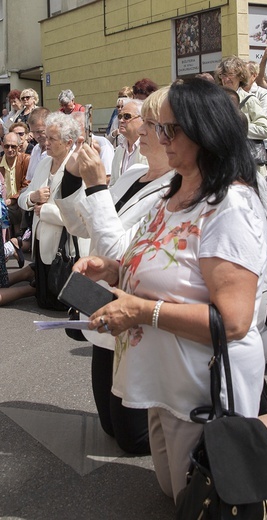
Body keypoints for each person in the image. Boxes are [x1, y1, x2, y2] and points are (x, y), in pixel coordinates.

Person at [73, 79, 267, 503]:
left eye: (170, 129)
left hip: (202, 376)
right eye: (158, 127)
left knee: (207, 488)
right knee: (175, 487)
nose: (157, 137)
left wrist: (141, 312)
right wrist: (115, 269)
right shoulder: (172, 192)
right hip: (162, 370)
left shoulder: (230, 204)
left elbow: (232, 320)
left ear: (205, 131)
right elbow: (161, 264)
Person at [55, 88, 175, 454]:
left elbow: (122, 257)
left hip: (134, 317)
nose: (137, 132)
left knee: (132, 439)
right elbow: (79, 224)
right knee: (109, 427)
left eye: (149, 125)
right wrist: (77, 175)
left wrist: (95, 185)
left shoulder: (173, 189)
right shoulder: (133, 173)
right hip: (101, 311)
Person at [17, 113, 90, 309]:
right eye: (46, 137)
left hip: (66, 248)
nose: (45, 142)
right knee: (44, 299)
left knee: (62, 301)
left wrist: (45, 210)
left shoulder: (78, 167)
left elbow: (81, 216)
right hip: (41, 243)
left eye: (52, 138)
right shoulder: (43, 163)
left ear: (68, 142)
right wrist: (32, 198)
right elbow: (24, 199)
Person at [215, 55, 267, 172]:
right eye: (223, 75)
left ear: (240, 77)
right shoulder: (215, 101)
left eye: (231, 75)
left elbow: (265, 130)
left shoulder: (249, 100)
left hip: (246, 165)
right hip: (222, 162)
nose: (226, 79)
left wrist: (239, 127)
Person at [109, 99, 147, 186]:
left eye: (126, 116)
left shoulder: (150, 149)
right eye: (120, 116)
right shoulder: (119, 150)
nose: (121, 120)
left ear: (142, 119)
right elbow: (113, 184)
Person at [1, 132, 30, 238]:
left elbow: (27, 185)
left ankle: (21, 237)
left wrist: (11, 200)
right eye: (6, 146)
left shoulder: (27, 160)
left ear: (19, 147)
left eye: (13, 146)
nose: (9, 149)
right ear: (2, 145)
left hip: (20, 203)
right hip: (5, 205)